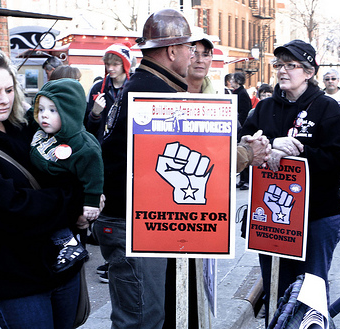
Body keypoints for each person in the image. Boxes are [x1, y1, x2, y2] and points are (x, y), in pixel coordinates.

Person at [86, 8, 204, 328]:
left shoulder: (143, 83)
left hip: (132, 222)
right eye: (188, 47)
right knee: (141, 320)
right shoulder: (155, 93)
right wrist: (247, 153)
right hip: (133, 227)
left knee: (145, 314)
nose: (193, 54)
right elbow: (195, 155)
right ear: (171, 51)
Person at [0, 47, 90, 328]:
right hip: (16, 280)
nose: (4, 100)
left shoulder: (28, 128)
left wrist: (70, 196)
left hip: (62, 268)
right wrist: (74, 203)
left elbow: (72, 171)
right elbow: (14, 209)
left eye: (8, 89)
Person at [240, 39, 340, 325]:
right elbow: (243, 151)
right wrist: (268, 145)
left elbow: (338, 163)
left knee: (311, 294)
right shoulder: (263, 108)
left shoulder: (327, 108)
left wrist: (299, 154)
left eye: (292, 65)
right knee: (276, 289)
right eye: (280, 65)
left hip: (317, 216)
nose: (283, 71)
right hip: (272, 218)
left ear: (309, 71)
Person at [30, 78, 104, 272]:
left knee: (60, 225)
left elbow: (94, 175)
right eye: (41, 108)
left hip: (63, 202)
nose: (44, 115)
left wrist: (91, 202)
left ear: (69, 112)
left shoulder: (83, 146)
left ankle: (70, 245)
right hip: (45, 196)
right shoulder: (43, 133)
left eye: (53, 110)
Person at [85, 42, 132, 283]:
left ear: (125, 64)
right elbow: (88, 127)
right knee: (105, 207)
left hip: (126, 157)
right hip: (102, 155)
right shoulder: (98, 88)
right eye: (107, 64)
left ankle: (123, 258)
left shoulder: (132, 87)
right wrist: (94, 113)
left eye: (115, 63)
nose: (110, 68)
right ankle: (109, 259)